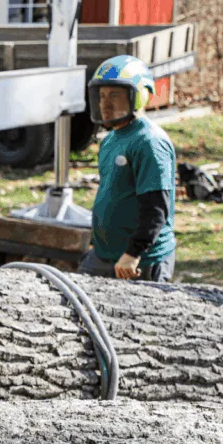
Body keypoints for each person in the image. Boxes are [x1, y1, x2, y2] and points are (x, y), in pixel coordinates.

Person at [78, 55, 177, 282]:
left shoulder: (149, 142)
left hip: (139, 261)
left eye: (115, 95)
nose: (105, 104)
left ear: (139, 96)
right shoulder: (111, 139)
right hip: (105, 256)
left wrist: (133, 253)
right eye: (102, 96)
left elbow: (156, 208)